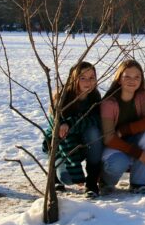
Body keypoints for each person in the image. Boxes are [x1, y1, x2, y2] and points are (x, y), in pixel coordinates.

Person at [99, 60, 145, 195]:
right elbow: (109, 139)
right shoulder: (108, 103)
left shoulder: (141, 96)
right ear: (119, 79)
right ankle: (105, 181)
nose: (132, 80)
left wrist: (124, 130)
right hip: (112, 146)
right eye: (127, 76)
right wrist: (138, 153)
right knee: (119, 162)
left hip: (131, 139)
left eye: (137, 77)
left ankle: (138, 183)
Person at [43, 61, 103, 198]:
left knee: (94, 132)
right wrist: (76, 171)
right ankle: (55, 177)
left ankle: (92, 182)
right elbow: (60, 136)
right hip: (60, 145)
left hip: (82, 140)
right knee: (68, 178)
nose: (88, 82)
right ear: (74, 79)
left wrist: (70, 123)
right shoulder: (61, 98)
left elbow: (95, 120)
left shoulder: (94, 97)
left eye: (91, 77)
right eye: (83, 78)